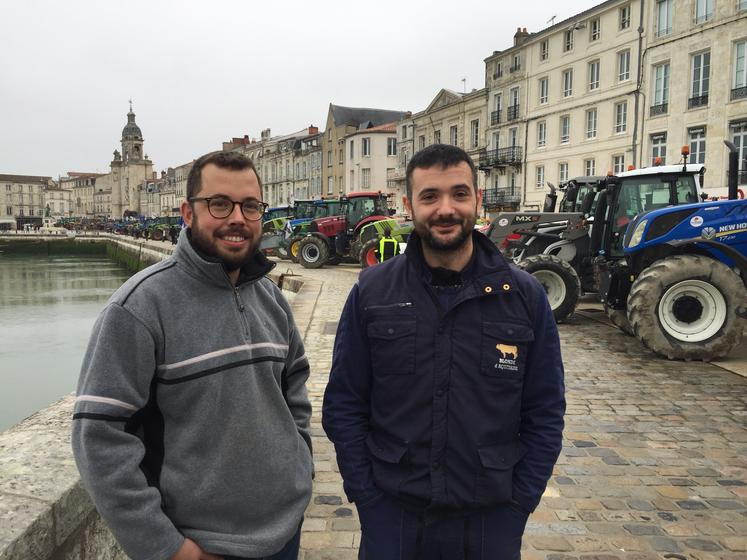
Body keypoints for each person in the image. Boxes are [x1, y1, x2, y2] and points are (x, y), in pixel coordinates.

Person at [322, 144, 565, 560]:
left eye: (459, 194)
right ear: (408, 205)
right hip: (393, 517)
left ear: (478, 199)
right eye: (430, 196)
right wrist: (367, 497)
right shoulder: (372, 292)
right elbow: (344, 404)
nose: (445, 208)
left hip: (491, 521)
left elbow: (545, 410)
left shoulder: (523, 297)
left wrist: (519, 503)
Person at [72, 151, 313, 560]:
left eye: (250, 206)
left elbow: (295, 390)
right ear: (187, 212)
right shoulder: (138, 308)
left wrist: (299, 465)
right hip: (203, 546)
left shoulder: (270, 297)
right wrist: (168, 549)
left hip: (285, 532)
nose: (238, 218)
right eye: (219, 204)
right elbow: (98, 439)